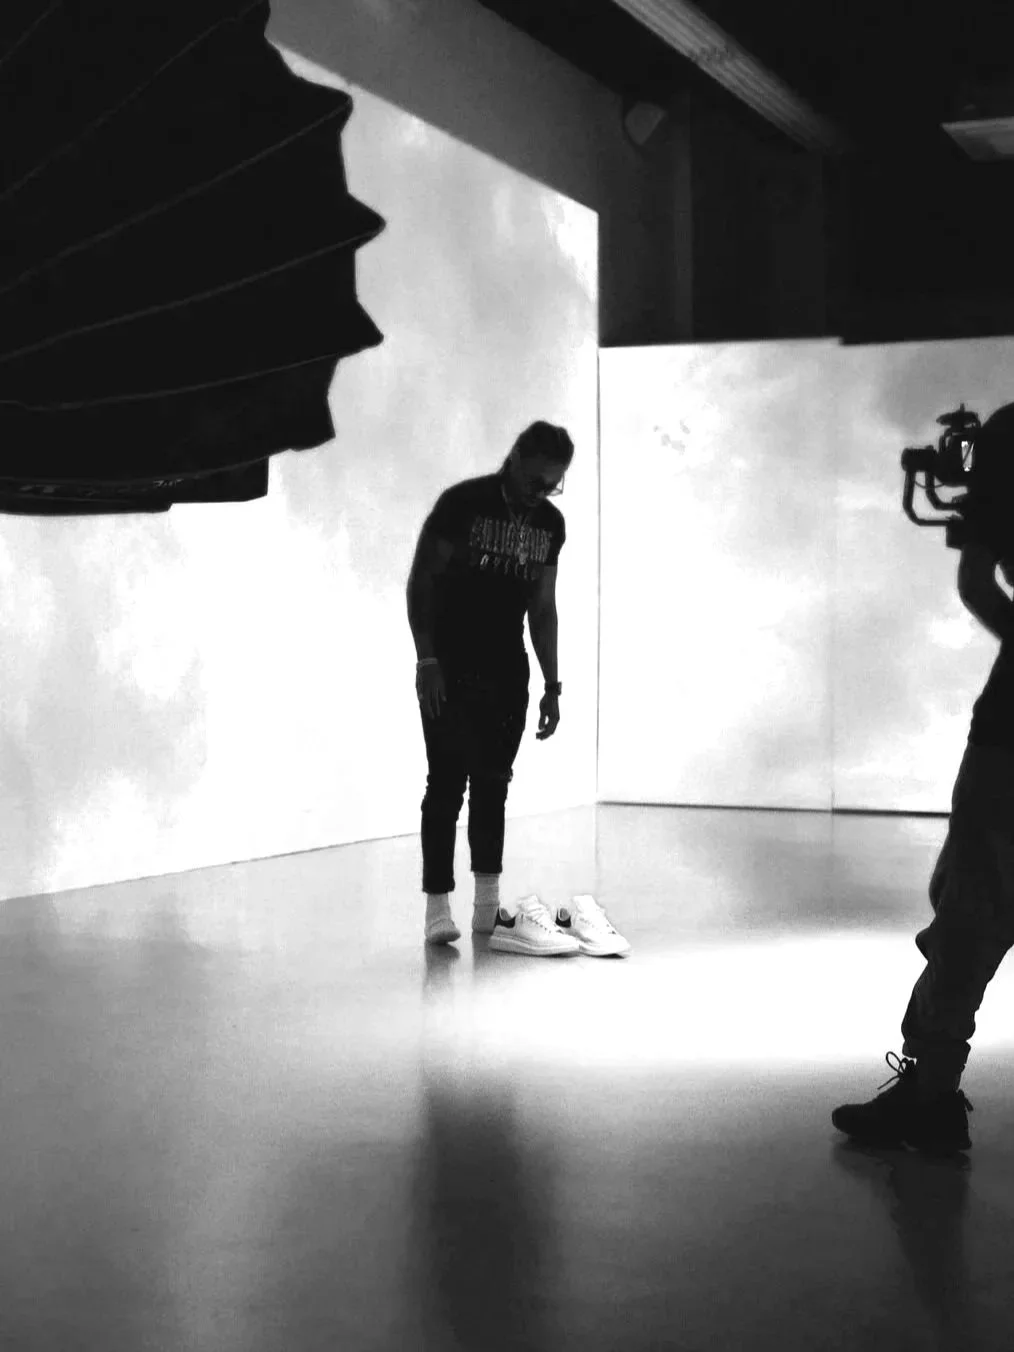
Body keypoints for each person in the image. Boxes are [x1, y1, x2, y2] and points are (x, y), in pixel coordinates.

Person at [404, 415, 1014, 1156]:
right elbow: (430, 582)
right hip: (459, 666)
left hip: (1007, 733)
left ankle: (931, 1093)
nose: (543, 493)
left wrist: (551, 680)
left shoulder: (549, 527)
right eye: (539, 480)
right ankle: (446, 908)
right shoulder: (464, 506)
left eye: (551, 484)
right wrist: (431, 658)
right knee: (449, 786)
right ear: (515, 458)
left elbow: (542, 604)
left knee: (971, 907)